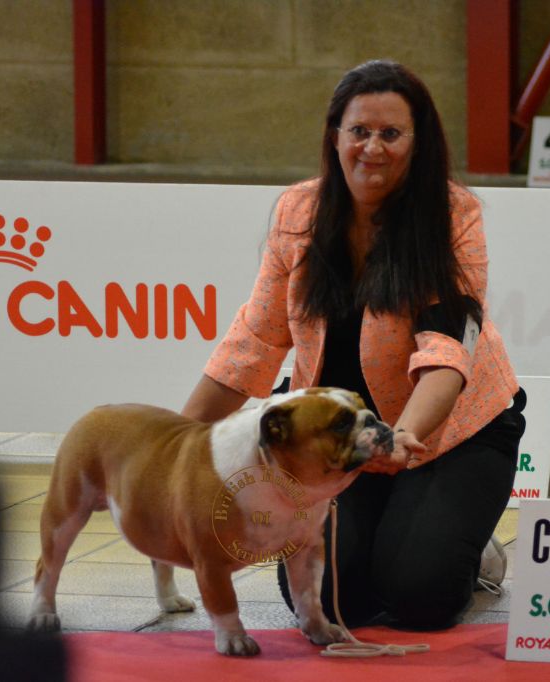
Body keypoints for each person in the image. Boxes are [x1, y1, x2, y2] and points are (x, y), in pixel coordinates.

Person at [182, 59, 524, 631]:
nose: (373, 148)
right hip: (341, 441)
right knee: (328, 602)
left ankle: (475, 549)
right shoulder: (299, 211)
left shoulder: (453, 215)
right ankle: (398, 527)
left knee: (421, 598)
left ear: (418, 143)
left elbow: (446, 351)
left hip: (450, 434)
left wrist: (405, 435)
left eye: (391, 134)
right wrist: (175, 440)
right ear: (334, 136)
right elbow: (255, 339)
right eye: (359, 131)